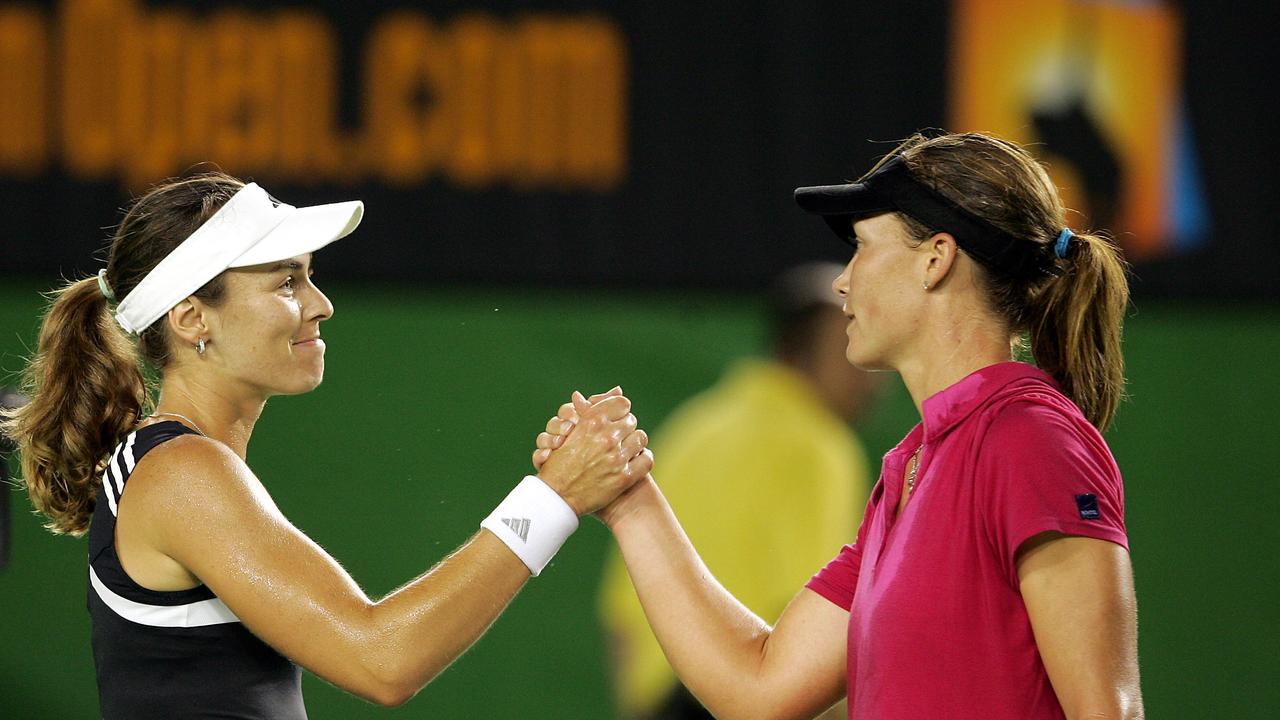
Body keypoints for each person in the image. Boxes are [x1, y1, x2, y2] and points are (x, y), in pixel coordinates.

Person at [0, 172, 652, 719]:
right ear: (192, 318)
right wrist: (554, 498)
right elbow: (382, 658)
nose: (321, 305)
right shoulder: (181, 475)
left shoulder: (184, 467)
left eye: (309, 277)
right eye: (286, 283)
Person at [536, 132, 1142, 719]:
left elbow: (1104, 712)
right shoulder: (910, 471)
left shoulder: (1031, 439)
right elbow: (758, 688)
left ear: (935, 258)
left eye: (861, 246)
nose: (842, 280)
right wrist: (627, 497)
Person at [596, 263, 881, 719]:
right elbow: (826, 632)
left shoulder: (694, 427)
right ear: (797, 355)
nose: (870, 375)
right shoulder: (819, 447)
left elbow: (621, 614)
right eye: (847, 349)